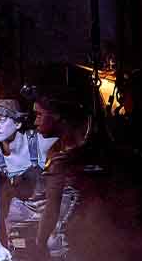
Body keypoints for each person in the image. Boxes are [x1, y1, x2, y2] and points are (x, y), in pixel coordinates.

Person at [0, 98, 59, 261]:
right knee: (16, 250)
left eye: (2, 119)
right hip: (22, 208)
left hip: (51, 205)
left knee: (55, 244)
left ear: (17, 124)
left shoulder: (41, 143)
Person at [31, 93, 105, 261]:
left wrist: (40, 241)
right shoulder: (83, 147)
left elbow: (52, 209)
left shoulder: (59, 159)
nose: (35, 122)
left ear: (57, 116)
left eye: (39, 115)